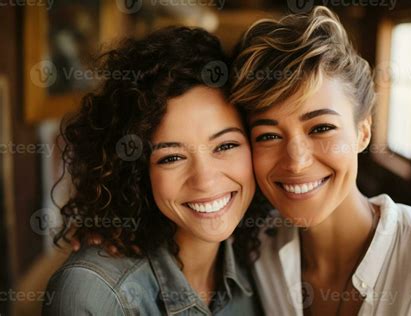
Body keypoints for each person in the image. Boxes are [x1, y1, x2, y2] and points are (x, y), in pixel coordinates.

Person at [230, 6, 411, 316]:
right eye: (268, 136)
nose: (296, 162)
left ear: (363, 132)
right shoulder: (255, 249)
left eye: (321, 128)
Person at [42, 26, 262, 315]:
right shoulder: (93, 295)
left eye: (225, 145)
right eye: (171, 157)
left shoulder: (262, 267)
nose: (205, 180)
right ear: (134, 172)